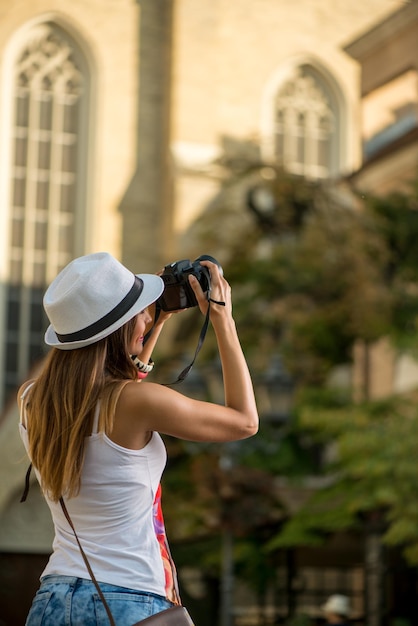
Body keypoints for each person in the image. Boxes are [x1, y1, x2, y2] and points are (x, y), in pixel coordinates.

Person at [18, 251, 259, 625]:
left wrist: (154, 323)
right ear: (116, 330)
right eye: (139, 314)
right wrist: (223, 319)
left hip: (52, 598)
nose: (148, 316)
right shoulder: (135, 402)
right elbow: (244, 422)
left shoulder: (33, 401)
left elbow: (112, 386)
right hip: (127, 601)